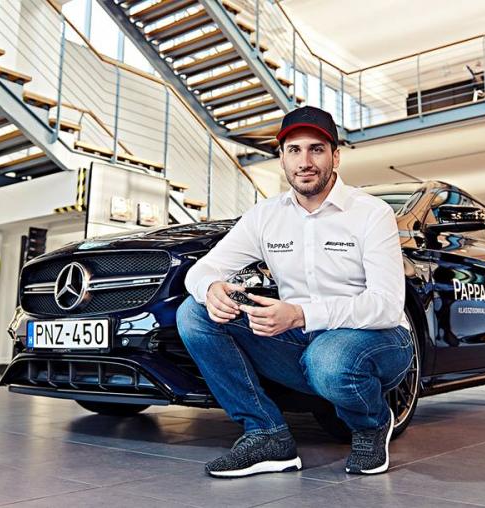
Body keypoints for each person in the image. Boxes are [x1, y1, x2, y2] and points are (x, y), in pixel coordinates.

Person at [176, 105, 413, 478]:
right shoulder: (266, 215)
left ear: (335, 157)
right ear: (282, 158)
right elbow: (202, 269)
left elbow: (386, 305)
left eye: (316, 149)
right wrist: (212, 288)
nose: (305, 162)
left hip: (378, 341)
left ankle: (371, 423)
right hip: (301, 340)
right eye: (294, 150)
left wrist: (301, 315)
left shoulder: (371, 213)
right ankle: (267, 435)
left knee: (328, 358)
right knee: (194, 313)